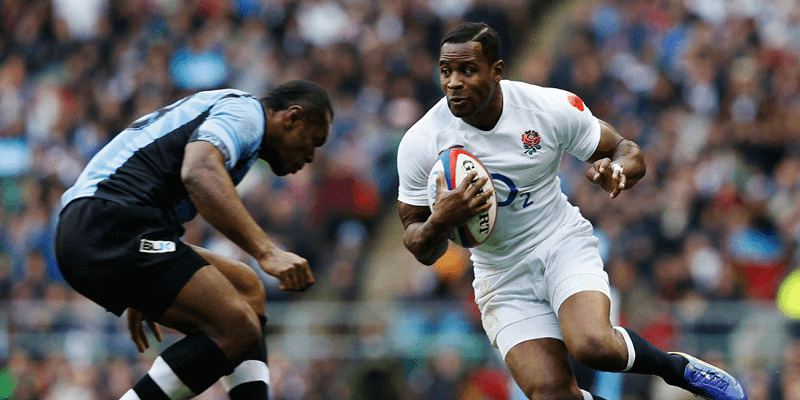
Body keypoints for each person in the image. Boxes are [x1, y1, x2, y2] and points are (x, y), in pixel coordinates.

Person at [396, 22, 747, 400]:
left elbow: (626, 150)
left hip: (559, 242)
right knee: (551, 393)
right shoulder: (422, 141)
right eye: (446, 71)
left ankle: (680, 370)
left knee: (594, 345)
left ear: (497, 71)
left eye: (467, 70)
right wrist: (439, 220)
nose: (453, 83)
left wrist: (616, 171)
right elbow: (420, 246)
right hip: (500, 273)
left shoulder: (546, 108)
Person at [54, 80, 333, 400]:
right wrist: (266, 251)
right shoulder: (246, 114)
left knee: (245, 287)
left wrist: (146, 282)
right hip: (108, 226)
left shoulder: (233, 119)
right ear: (292, 118)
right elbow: (198, 170)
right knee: (237, 327)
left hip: (111, 227)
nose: (311, 155)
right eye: (314, 141)